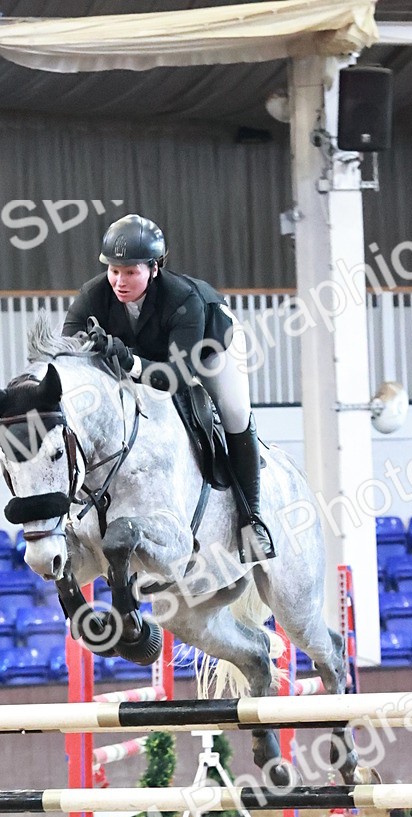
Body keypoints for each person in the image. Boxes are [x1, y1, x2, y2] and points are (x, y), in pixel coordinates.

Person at [62, 213, 275, 559]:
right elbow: (68, 358)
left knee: (235, 412)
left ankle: (252, 521)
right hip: (149, 354)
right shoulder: (92, 296)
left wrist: (129, 361)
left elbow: (177, 378)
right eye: (114, 270)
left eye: (130, 272)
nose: (119, 281)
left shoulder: (183, 299)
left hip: (208, 348)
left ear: (154, 268)